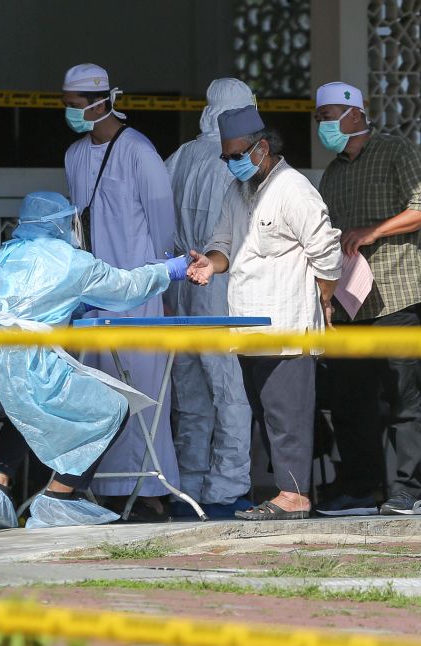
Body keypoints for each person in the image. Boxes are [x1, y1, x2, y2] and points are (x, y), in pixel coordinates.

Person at [0, 191, 189, 529]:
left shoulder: (5, 254)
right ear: (63, 222)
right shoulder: (71, 261)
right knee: (115, 406)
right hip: (26, 370)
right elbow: (126, 287)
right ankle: (60, 497)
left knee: (27, 412)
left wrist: (70, 307)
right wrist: (168, 271)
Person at [187, 106, 342, 520]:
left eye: (237, 154)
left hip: (287, 325)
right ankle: (286, 494)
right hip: (248, 325)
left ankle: (295, 497)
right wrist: (210, 263)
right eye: (226, 157)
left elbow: (327, 249)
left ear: (263, 147)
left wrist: (325, 298)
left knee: (286, 415)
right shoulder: (236, 192)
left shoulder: (293, 188)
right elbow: (223, 242)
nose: (231, 163)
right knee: (265, 415)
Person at [313, 81, 421, 516]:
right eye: (319, 118)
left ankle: (407, 490)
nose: (324, 125)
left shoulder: (397, 151)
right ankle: (359, 489)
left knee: (404, 395)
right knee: (351, 401)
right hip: (351, 302)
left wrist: (375, 231)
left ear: (355, 114)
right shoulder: (333, 173)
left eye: (330, 115)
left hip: (397, 294)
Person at [62, 63, 179, 519]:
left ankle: (149, 490)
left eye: (76, 106)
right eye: (66, 105)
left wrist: (155, 280)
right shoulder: (73, 155)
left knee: (145, 390)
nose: (70, 113)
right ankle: (106, 489)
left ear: (101, 102)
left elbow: (163, 227)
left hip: (141, 292)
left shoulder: (138, 151)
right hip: (93, 295)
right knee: (101, 391)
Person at [165, 78, 256, 518]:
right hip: (220, 283)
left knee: (190, 394)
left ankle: (189, 482)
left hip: (181, 282)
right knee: (229, 391)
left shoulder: (180, 157)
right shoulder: (234, 158)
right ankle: (228, 486)